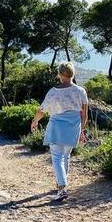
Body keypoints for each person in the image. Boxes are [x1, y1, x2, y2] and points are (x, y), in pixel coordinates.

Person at [30, 61, 89, 201]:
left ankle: (61, 188)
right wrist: (81, 131)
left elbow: (42, 110)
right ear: (72, 74)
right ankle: (61, 183)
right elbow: (84, 115)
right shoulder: (81, 91)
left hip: (56, 126)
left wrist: (35, 121)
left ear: (60, 74)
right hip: (73, 126)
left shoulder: (53, 91)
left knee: (57, 157)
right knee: (65, 156)